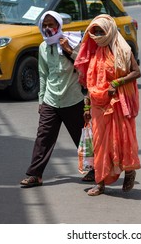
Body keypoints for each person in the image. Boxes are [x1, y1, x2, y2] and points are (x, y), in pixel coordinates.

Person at [74, 14, 141, 196]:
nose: (96, 34)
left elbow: (136, 72)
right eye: (94, 31)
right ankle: (100, 183)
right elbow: (89, 83)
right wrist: (87, 107)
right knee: (100, 144)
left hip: (118, 103)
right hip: (97, 104)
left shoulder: (123, 50)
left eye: (100, 31)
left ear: (109, 31)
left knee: (121, 141)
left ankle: (129, 171)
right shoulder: (92, 52)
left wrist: (116, 83)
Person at [20, 11, 86, 188]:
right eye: (45, 25)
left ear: (59, 25)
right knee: (43, 137)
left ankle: (94, 169)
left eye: (52, 24)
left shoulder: (72, 41)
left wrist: (69, 51)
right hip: (51, 99)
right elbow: (43, 74)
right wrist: (41, 100)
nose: (48, 28)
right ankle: (35, 174)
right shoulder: (43, 47)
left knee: (81, 138)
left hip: (72, 98)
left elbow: (84, 65)